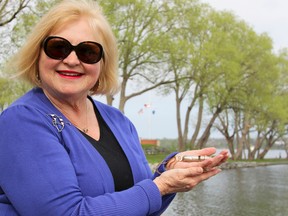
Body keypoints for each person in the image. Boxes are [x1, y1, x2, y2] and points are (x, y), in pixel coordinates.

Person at [0, 0, 229, 215]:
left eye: (87, 51)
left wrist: (168, 172)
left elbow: (139, 206)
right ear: (37, 55)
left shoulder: (118, 121)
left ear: (102, 63)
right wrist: (160, 186)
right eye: (58, 47)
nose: (71, 60)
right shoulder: (21, 121)